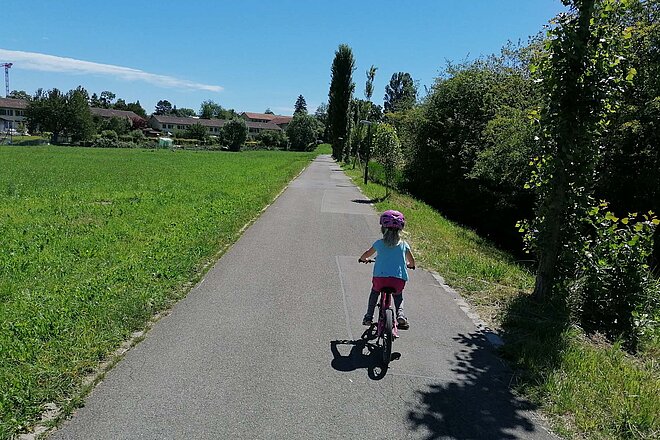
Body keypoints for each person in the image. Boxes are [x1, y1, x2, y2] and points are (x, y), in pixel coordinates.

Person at [358, 209, 416, 330]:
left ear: (383, 229)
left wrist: (363, 259)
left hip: (380, 279)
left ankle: (368, 316)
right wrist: (410, 265)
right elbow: (412, 261)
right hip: (398, 280)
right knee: (398, 296)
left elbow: (367, 254)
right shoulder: (404, 245)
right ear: (400, 230)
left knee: (374, 293)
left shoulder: (379, 243)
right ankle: (401, 315)